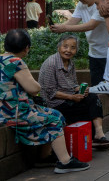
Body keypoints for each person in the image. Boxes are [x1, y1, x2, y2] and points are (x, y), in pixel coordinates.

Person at [1, 29, 89, 173]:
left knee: (57, 114)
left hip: (5, 110)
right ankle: (65, 162)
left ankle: (44, 157)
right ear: (26, 48)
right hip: (15, 112)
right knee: (53, 119)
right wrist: (37, 84)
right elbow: (33, 89)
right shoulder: (15, 62)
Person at [37, 34, 109, 149]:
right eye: (65, 46)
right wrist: (72, 97)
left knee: (92, 97)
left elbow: (73, 85)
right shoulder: (51, 64)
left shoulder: (70, 63)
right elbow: (50, 92)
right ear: (58, 47)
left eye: (73, 47)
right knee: (86, 108)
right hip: (55, 103)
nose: (68, 50)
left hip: (69, 98)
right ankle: (92, 138)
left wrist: (81, 90)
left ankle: (98, 133)